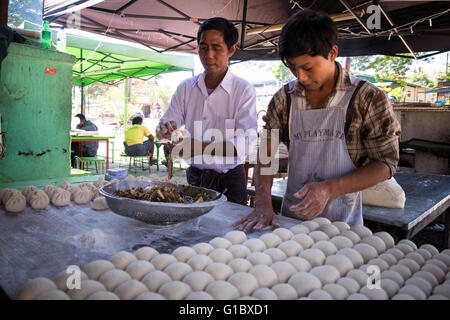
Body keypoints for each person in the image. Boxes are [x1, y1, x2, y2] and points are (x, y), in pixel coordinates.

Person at [233, 9, 401, 233]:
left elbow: (385, 164)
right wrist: (263, 202)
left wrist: (329, 189)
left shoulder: (366, 98)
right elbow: (266, 154)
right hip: (291, 224)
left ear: (332, 53)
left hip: (345, 228)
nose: (300, 77)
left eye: (308, 67)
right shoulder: (285, 100)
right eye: (293, 67)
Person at [156, 17, 257, 205]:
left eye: (216, 48)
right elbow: (167, 124)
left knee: (230, 232)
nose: (208, 54)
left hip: (230, 180)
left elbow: (244, 144)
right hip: (195, 179)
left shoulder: (243, 90)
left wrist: (199, 147)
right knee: (195, 231)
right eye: (203, 47)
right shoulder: (186, 88)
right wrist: (165, 131)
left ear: (231, 50)